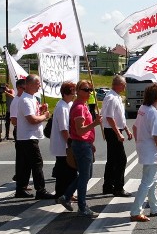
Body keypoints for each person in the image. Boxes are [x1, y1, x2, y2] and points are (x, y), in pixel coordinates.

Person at [60, 80, 102, 217]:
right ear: (78, 91)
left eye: (90, 89)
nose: (89, 92)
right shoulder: (79, 107)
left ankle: (66, 196)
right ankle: (82, 207)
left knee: (86, 175)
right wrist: (95, 123)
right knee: (84, 176)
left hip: (85, 144)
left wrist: (91, 142)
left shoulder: (82, 105)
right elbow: (79, 131)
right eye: (86, 89)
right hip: (81, 144)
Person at [130, 83, 157, 222]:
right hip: (151, 151)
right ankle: (135, 212)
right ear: (156, 97)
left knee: (153, 181)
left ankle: (154, 208)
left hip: (147, 149)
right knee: (147, 182)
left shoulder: (143, 108)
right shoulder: (152, 112)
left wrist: (139, 141)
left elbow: (135, 127)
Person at [14, 74, 56, 199]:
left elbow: (34, 114)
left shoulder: (32, 98)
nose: (39, 86)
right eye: (38, 84)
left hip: (29, 135)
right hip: (28, 136)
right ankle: (40, 190)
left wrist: (42, 111)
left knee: (25, 164)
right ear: (31, 84)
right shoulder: (25, 100)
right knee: (37, 163)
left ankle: (20, 188)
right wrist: (45, 116)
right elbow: (32, 119)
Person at [101, 75, 132, 197]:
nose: (125, 87)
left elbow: (119, 117)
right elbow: (109, 117)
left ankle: (108, 185)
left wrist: (126, 129)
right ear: (118, 85)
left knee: (112, 160)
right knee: (121, 160)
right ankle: (118, 187)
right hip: (112, 131)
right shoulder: (111, 97)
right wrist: (118, 133)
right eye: (123, 84)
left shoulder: (117, 96)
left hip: (116, 129)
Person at [51, 82, 77, 202]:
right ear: (67, 93)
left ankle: (68, 193)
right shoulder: (62, 107)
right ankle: (60, 194)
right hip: (63, 144)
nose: (74, 94)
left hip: (66, 144)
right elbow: (64, 128)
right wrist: (70, 144)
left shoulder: (68, 104)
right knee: (63, 170)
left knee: (70, 170)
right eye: (73, 92)